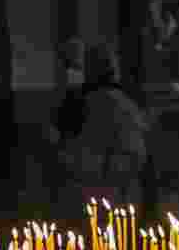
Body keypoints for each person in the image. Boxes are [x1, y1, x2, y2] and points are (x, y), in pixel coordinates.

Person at [50, 43, 152, 216]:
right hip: (124, 171)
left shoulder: (91, 100)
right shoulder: (125, 100)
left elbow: (68, 133)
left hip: (104, 171)